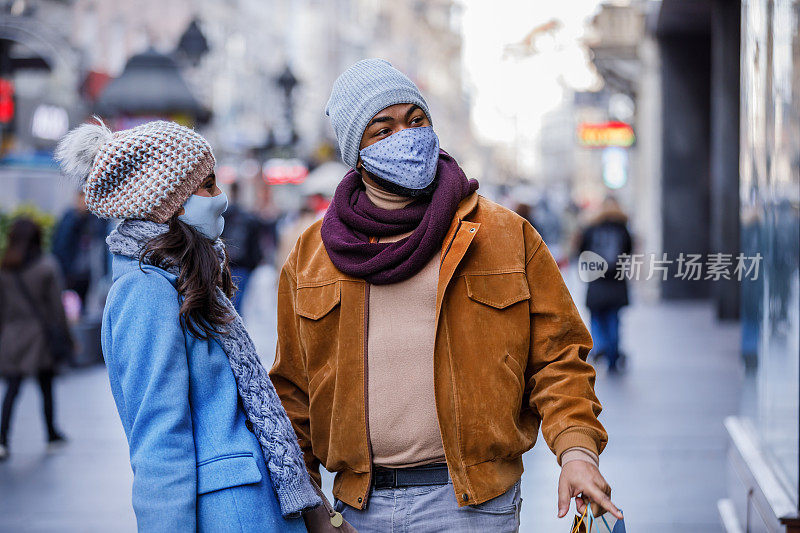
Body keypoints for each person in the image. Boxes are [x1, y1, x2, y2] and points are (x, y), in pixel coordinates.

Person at [271, 59, 621, 532]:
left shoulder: (502, 234)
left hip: (475, 507)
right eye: (383, 129)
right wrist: (310, 506)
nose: (406, 136)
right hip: (358, 509)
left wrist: (577, 451)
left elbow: (559, 358)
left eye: (416, 121)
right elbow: (292, 393)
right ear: (356, 150)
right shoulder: (313, 254)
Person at [55, 119, 319, 532]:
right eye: (208, 185)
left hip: (250, 507)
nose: (221, 198)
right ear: (169, 201)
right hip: (228, 515)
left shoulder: (187, 280)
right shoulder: (144, 291)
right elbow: (160, 444)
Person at [0, 218, 70, 461]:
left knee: (12, 388)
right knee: (46, 384)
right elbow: (57, 310)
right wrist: (67, 339)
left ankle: (2, 440)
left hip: (11, 335)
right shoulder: (46, 266)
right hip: (39, 336)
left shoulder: (4, 268)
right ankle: (51, 434)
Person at [578, 196, 633, 373]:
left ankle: (599, 345)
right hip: (616, 280)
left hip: (596, 279)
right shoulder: (622, 228)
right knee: (613, 320)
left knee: (596, 317)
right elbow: (628, 250)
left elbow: (582, 250)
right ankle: (612, 358)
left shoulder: (591, 227)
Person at [51, 190, 108, 307]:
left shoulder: (96, 219)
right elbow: (60, 244)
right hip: (70, 272)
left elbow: (102, 244)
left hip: (87, 272)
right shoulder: (70, 217)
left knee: (84, 303)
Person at [221, 181, 264, 311]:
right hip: (244, 264)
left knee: (227, 298)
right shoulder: (248, 216)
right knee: (238, 300)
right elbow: (255, 242)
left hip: (227, 262)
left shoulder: (223, 216)